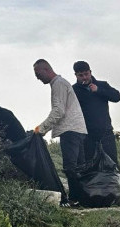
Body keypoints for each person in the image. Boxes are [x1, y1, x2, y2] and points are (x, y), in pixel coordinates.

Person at [71, 60, 120, 202]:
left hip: (105, 132)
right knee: (88, 164)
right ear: (76, 75)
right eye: (81, 75)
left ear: (90, 72)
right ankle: (92, 193)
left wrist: (99, 91)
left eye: (86, 74)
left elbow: (117, 97)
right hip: (86, 134)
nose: (84, 77)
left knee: (112, 161)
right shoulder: (74, 90)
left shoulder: (102, 85)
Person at [32, 59, 87, 207]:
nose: (37, 77)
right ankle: (83, 198)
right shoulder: (59, 83)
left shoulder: (58, 84)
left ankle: (75, 199)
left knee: (71, 167)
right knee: (80, 167)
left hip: (70, 129)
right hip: (78, 129)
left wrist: (41, 129)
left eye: (38, 74)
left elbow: (59, 111)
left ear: (46, 70)